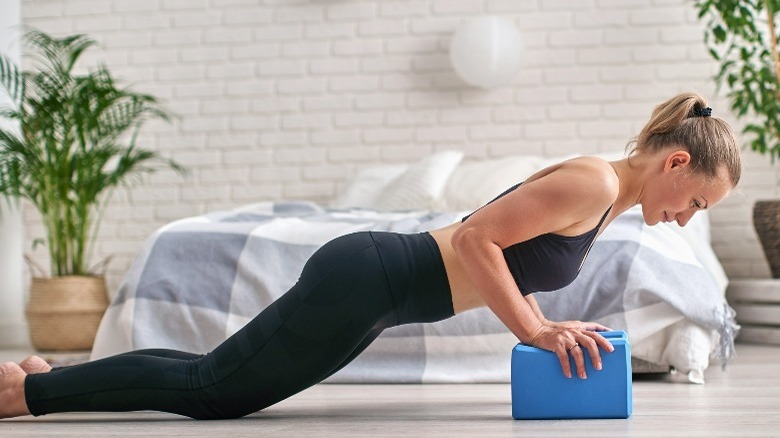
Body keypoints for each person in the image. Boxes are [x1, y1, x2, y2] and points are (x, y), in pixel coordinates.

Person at [0, 91, 741, 420]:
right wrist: (536, 330)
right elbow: (478, 237)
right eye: (696, 203)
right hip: (371, 279)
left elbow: (508, 257)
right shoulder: (591, 180)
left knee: (215, 377)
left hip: (379, 293)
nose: (685, 220)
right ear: (675, 164)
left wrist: (543, 321)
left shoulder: (604, 194)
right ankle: (25, 396)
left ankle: (49, 380)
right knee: (211, 393)